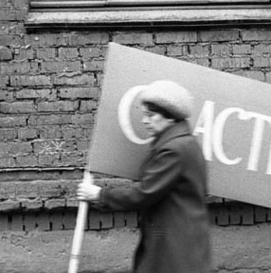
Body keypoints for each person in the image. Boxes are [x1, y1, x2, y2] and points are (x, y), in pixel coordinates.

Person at [77, 80, 212, 273]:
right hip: (180, 242)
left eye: (150, 115)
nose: (144, 121)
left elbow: (144, 193)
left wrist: (100, 195)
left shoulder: (174, 150)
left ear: (170, 117)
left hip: (173, 247)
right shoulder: (185, 144)